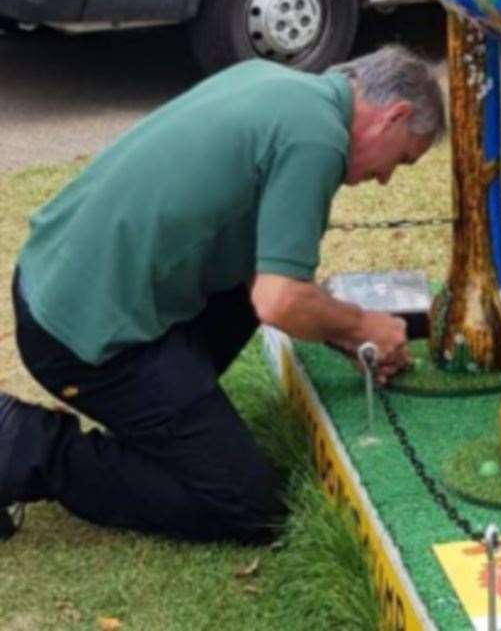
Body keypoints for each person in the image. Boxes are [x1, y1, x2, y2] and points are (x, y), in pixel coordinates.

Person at [0, 45, 445, 543]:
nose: (385, 179)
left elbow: (264, 274)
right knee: (248, 507)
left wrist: (337, 332)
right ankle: (21, 445)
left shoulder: (276, 82)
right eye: (402, 160)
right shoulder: (317, 140)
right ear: (395, 115)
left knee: (263, 282)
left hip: (56, 277)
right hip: (78, 335)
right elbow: (279, 300)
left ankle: (168, 421)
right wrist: (361, 325)